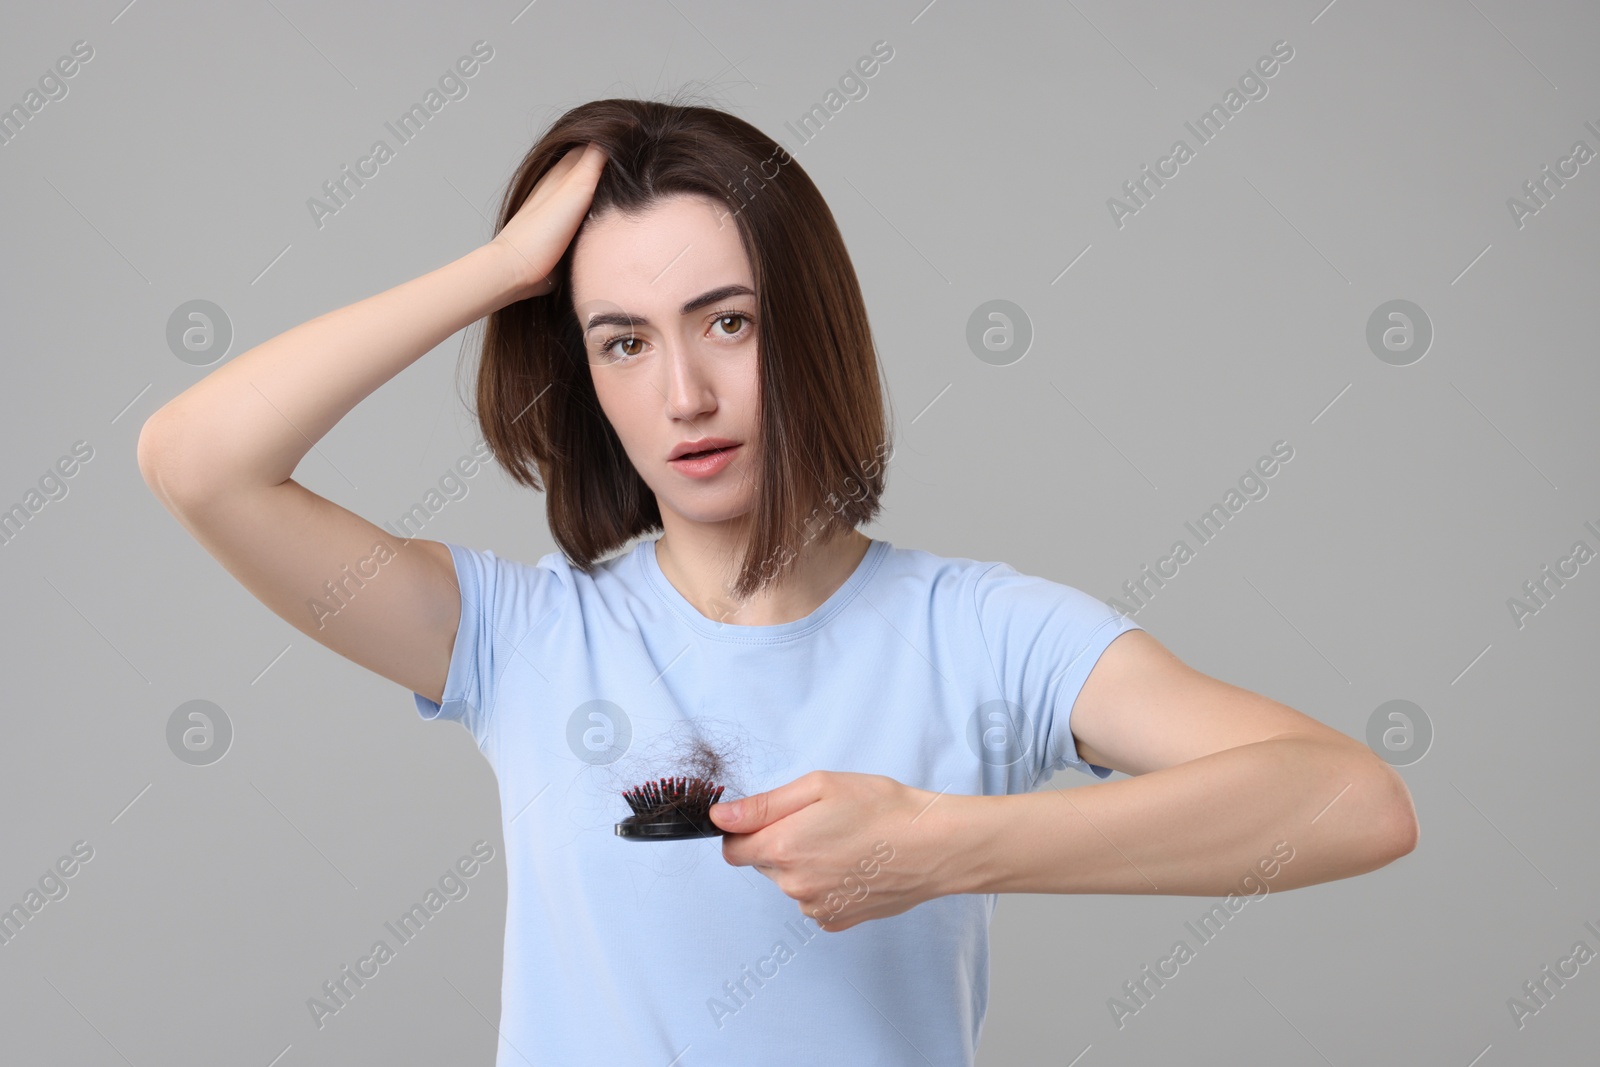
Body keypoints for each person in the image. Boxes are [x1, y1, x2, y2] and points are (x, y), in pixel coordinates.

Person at [137, 96, 1418, 1067]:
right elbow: (198, 462)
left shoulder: (982, 634)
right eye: (621, 341)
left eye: (727, 320)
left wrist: (941, 846)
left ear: (805, 325)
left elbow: (1353, 801)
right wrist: (505, 272)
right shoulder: (522, 637)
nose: (683, 392)